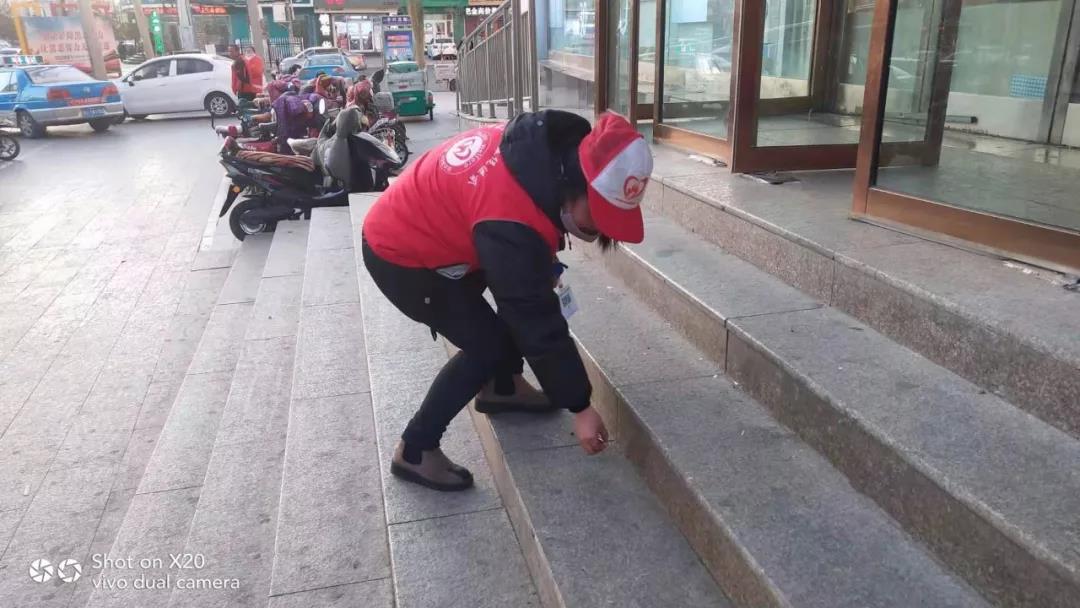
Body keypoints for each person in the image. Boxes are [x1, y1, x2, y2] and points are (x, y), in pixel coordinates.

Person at [361, 111, 653, 491]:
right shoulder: (511, 216)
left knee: (518, 299)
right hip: (399, 255)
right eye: (598, 216)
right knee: (489, 345)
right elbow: (532, 315)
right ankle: (416, 448)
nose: (598, 229)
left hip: (433, 227)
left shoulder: (538, 155)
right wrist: (580, 406)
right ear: (574, 183)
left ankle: (503, 387)